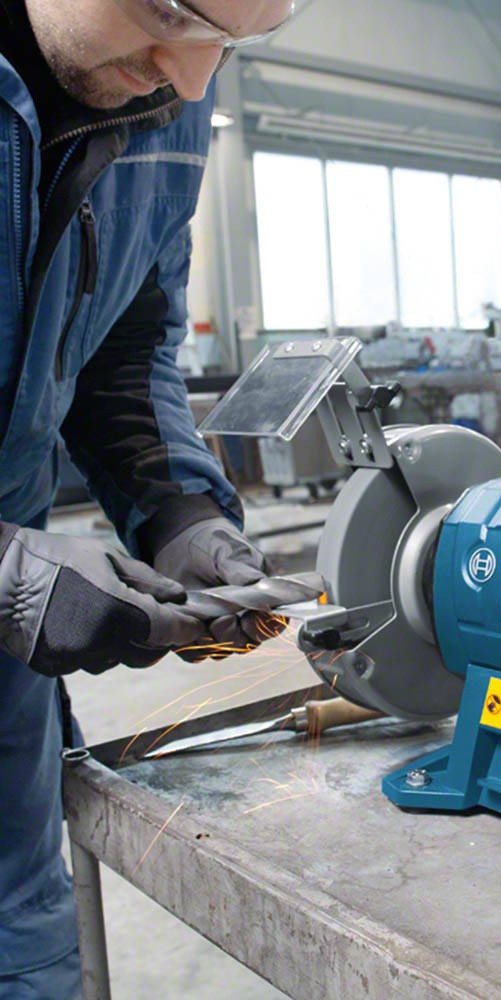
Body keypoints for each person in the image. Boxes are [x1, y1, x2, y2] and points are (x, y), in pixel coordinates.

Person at [0, 0, 299, 995]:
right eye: (170, 9)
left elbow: (124, 344)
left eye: (235, 40)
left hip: (6, 683)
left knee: (22, 950)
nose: (196, 78)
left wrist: (178, 511)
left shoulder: (167, 81)